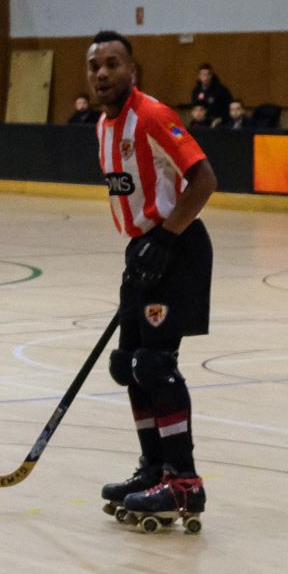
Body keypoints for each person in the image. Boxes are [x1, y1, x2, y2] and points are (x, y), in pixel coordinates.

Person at [88, 30, 219, 530]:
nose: (103, 73)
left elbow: (204, 178)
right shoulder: (103, 125)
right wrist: (143, 249)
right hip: (142, 250)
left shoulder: (152, 115)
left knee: (155, 363)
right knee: (128, 365)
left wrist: (164, 239)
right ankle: (154, 468)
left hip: (177, 247)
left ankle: (183, 480)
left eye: (113, 63)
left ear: (132, 71)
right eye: (95, 66)